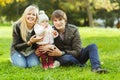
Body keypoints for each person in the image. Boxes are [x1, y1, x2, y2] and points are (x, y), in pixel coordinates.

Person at [36, 9, 108, 73]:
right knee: (66, 58)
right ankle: (81, 65)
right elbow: (42, 40)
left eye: (60, 19)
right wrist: (45, 47)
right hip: (63, 57)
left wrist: (62, 53)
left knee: (92, 46)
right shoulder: (50, 31)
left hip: (74, 54)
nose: (58, 22)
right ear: (53, 22)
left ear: (65, 20)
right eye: (55, 20)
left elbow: (78, 51)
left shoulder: (74, 29)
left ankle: (96, 67)